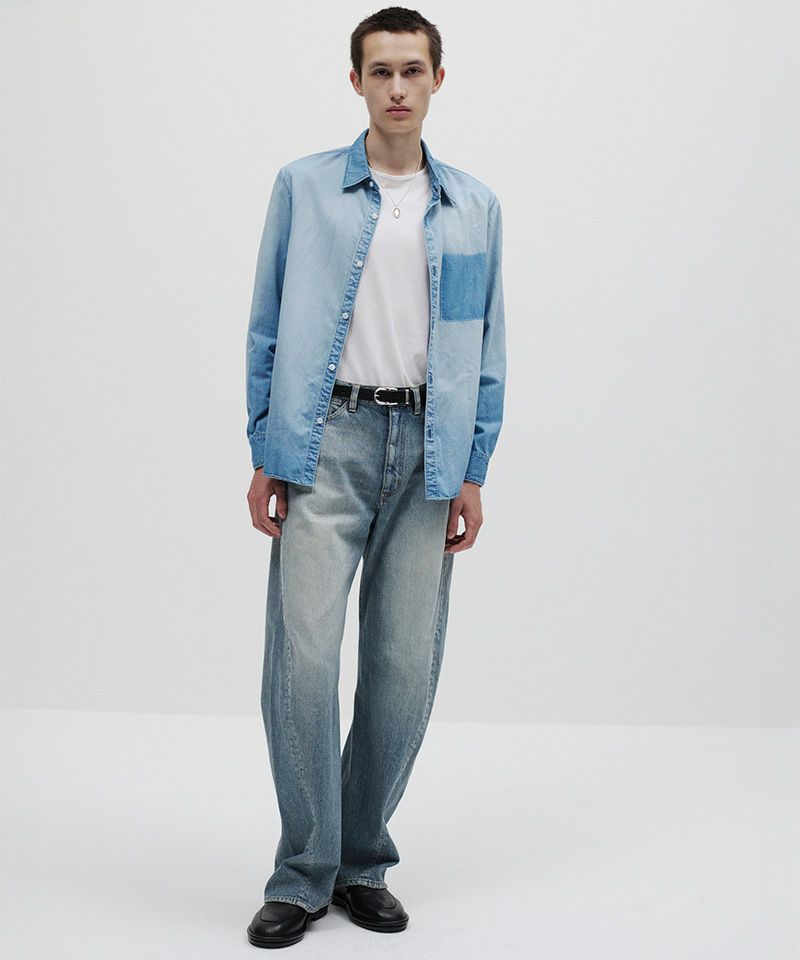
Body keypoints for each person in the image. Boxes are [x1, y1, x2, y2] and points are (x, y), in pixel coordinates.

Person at [244, 6, 506, 949]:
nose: (397, 87)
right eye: (381, 71)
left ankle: (362, 863)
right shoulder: (304, 188)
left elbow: (486, 344)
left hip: (430, 453)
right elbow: (267, 323)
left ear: (438, 79)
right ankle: (303, 873)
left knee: (402, 672)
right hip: (326, 443)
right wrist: (266, 449)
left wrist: (473, 466)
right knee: (304, 663)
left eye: (413, 70)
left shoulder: (474, 206)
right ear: (355, 81)